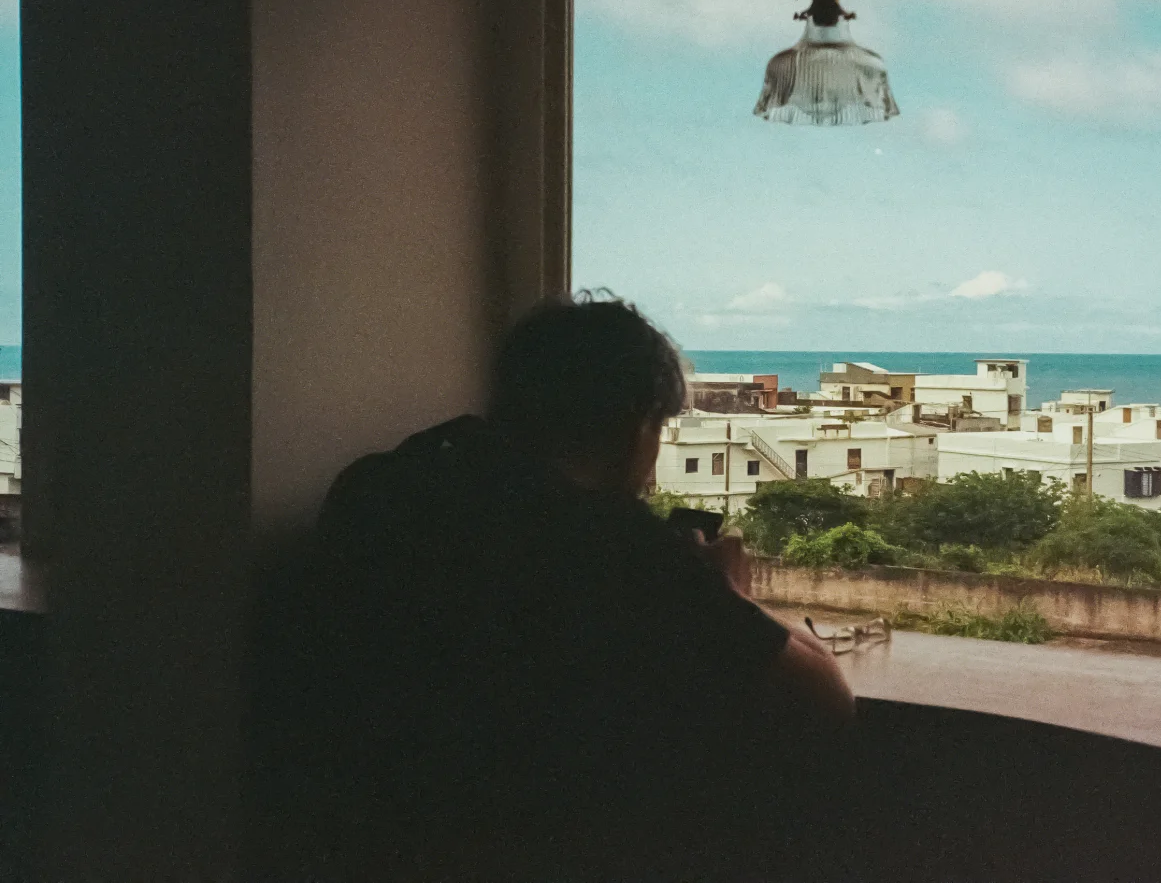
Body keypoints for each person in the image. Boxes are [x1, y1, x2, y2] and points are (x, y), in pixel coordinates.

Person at [245, 293, 856, 881]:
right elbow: (824, 696)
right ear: (638, 424)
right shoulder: (612, 545)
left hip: (353, 835)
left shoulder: (381, 488)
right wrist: (727, 594)